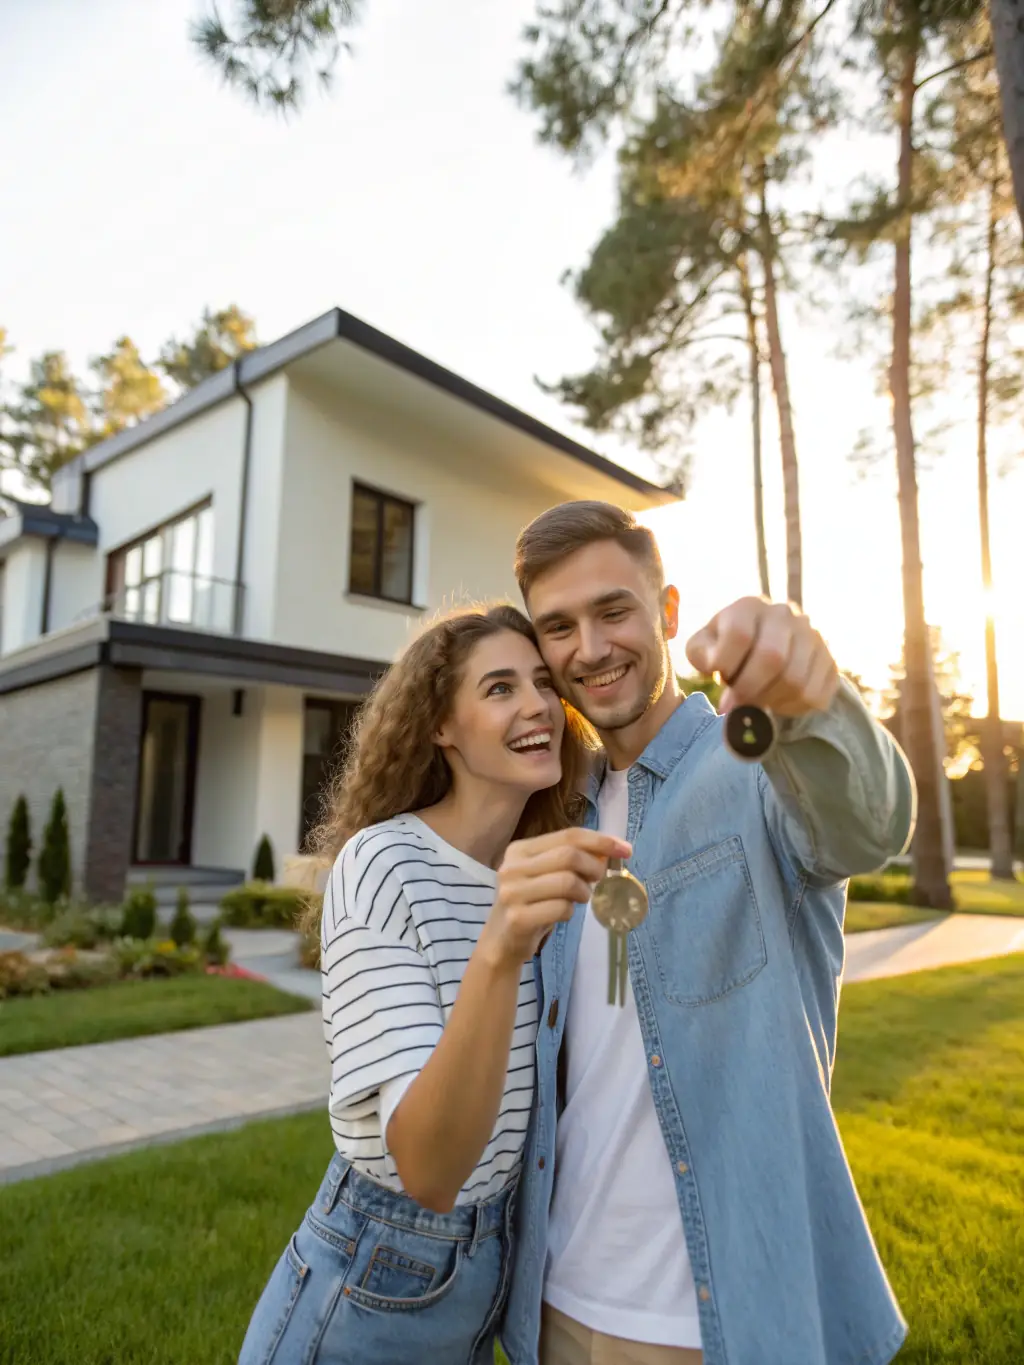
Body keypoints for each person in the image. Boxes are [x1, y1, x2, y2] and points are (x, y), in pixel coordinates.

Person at [497, 502, 916, 1365]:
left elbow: (869, 824)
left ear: (669, 611)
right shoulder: (551, 815)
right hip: (554, 1307)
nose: (590, 647)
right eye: (559, 627)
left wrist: (815, 701)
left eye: (614, 610)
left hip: (712, 1323)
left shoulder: (753, 761)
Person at [238, 603, 629, 1365]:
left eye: (544, 683)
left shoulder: (538, 866)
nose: (537, 705)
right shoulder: (384, 865)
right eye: (499, 688)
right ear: (440, 727)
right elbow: (430, 1168)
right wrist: (502, 945)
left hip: (494, 1270)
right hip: (374, 1279)